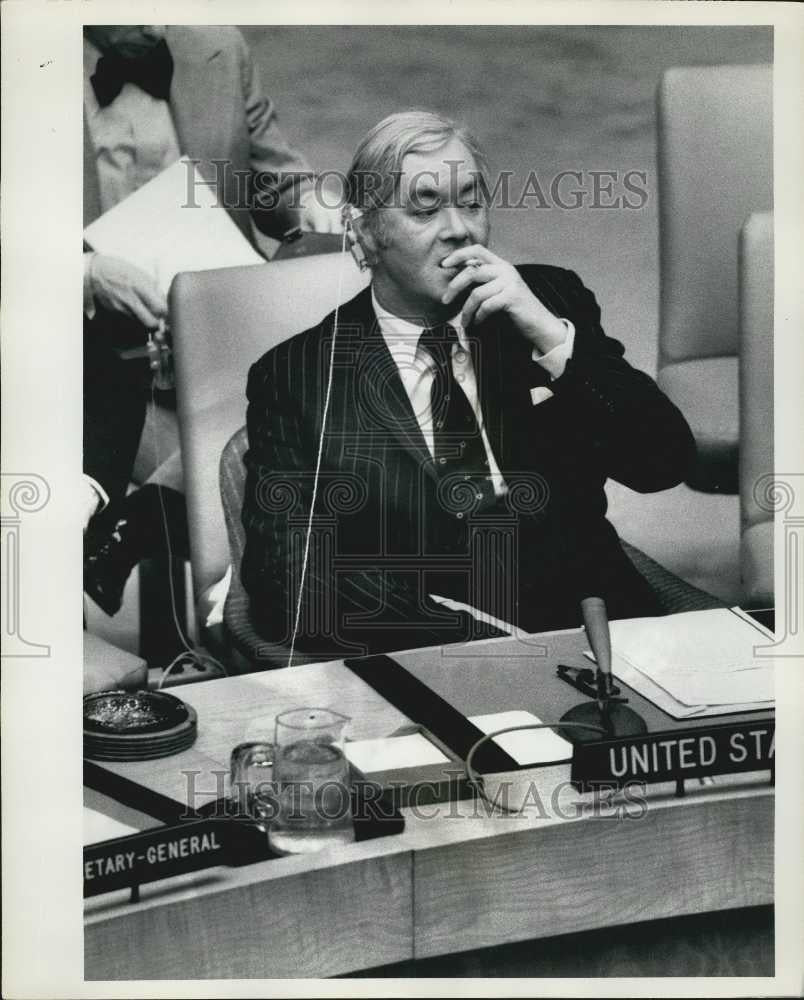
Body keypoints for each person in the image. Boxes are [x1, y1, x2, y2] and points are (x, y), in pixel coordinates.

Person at [240, 110, 696, 659]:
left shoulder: (549, 302)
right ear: (363, 230)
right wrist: (477, 639)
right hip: (433, 651)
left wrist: (553, 340)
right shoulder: (298, 377)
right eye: (425, 208)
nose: (458, 228)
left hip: (598, 633)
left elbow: (664, 463)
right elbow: (291, 581)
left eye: (472, 202)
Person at [82, 25, 341, 615]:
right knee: (252, 468)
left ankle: (144, 523)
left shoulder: (216, 46)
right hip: (90, 358)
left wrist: (310, 205)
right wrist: (90, 276)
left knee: (319, 417)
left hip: (215, 331)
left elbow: (276, 180)